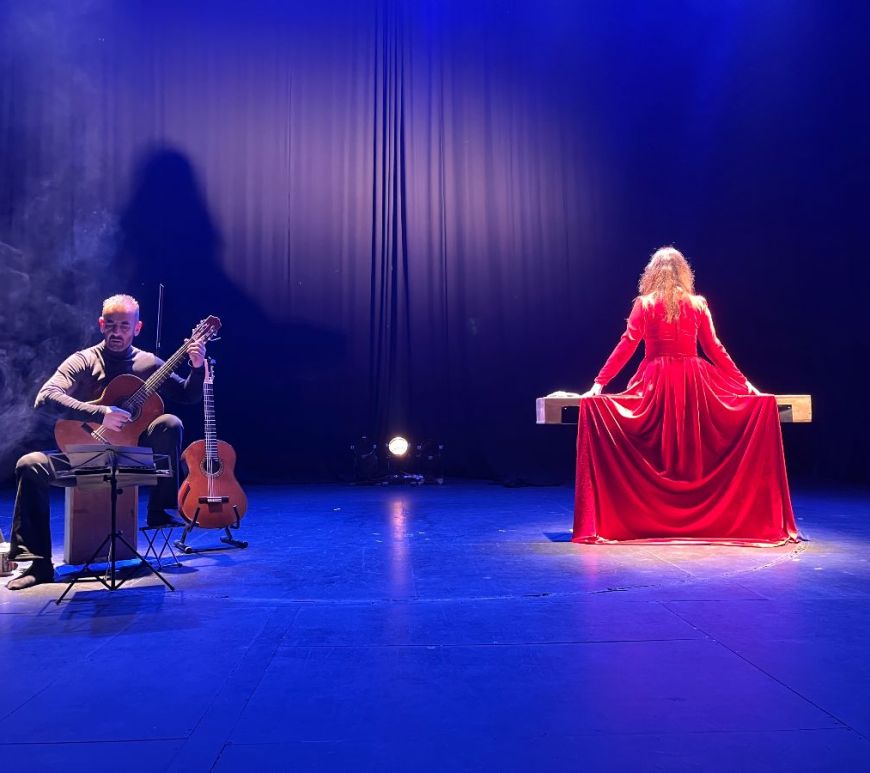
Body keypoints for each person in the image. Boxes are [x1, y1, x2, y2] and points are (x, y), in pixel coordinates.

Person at [573, 247, 799, 545]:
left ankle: (649, 512)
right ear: (684, 272)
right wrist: (745, 385)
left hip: (655, 380)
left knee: (656, 446)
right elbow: (714, 349)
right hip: (694, 381)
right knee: (694, 444)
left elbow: (627, 345)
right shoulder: (697, 304)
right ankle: (702, 510)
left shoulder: (645, 304)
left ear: (652, 273)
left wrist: (599, 383)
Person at [6, 294, 206, 590]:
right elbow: (45, 397)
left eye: (124, 326)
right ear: (101, 324)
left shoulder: (149, 363)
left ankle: (160, 510)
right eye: (110, 324)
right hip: (83, 458)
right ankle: (39, 564)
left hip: (130, 462)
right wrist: (101, 413)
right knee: (30, 464)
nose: (116, 332)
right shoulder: (84, 360)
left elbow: (188, 395)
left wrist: (197, 368)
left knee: (170, 423)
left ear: (137, 328)